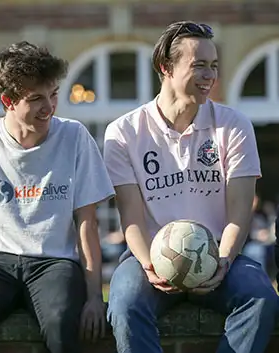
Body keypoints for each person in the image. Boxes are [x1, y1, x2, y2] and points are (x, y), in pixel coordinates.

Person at [0, 41, 115, 353]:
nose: (50, 106)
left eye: (53, 94)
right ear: (8, 100)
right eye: (37, 98)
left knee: (61, 325)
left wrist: (95, 297)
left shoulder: (75, 136)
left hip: (55, 261)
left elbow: (87, 223)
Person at [103, 21, 278, 353]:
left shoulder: (234, 124)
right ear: (165, 67)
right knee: (124, 305)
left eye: (213, 66)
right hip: (149, 257)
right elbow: (131, 216)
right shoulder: (123, 132)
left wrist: (222, 260)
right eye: (199, 65)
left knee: (262, 299)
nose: (210, 75)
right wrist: (150, 266)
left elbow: (240, 212)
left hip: (220, 253)